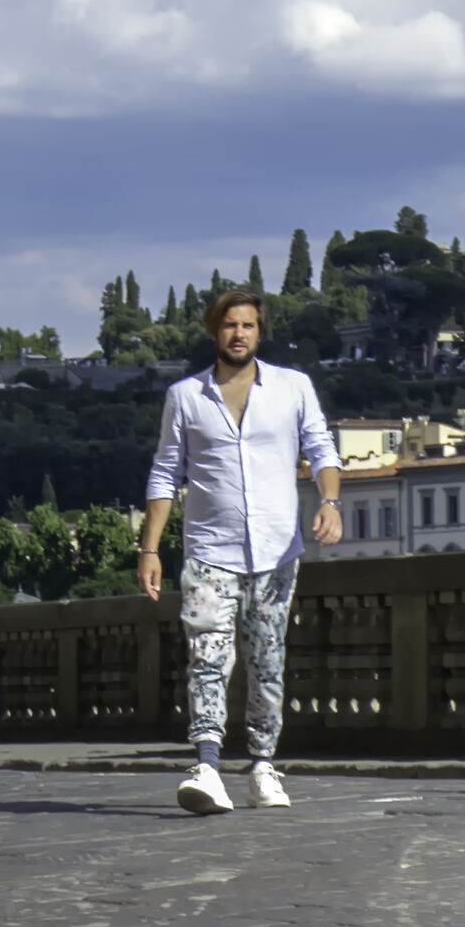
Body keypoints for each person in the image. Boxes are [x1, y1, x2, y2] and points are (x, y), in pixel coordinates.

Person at [139, 291, 343, 815]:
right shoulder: (186, 396)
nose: (239, 334)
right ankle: (207, 764)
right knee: (207, 657)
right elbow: (166, 472)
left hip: (277, 551)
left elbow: (321, 447)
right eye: (230, 325)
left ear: (260, 331)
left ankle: (261, 765)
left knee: (266, 662)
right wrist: (150, 548)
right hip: (210, 551)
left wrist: (330, 501)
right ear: (215, 331)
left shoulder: (292, 388)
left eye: (248, 325)